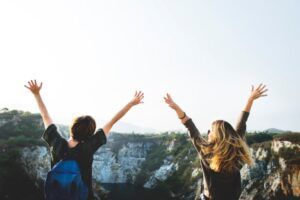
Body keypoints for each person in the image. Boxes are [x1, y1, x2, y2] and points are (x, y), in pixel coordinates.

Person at [25, 80, 144, 200]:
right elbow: (113, 121)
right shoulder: (89, 146)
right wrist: (131, 103)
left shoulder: (57, 143)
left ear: (72, 127)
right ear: (90, 133)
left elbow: (45, 116)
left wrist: (36, 94)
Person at [164, 84, 268, 200]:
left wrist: (177, 109)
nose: (208, 132)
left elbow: (190, 126)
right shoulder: (236, 152)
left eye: (211, 131)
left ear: (217, 136)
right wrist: (250, 100)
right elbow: (241, 122)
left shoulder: (206, 152)